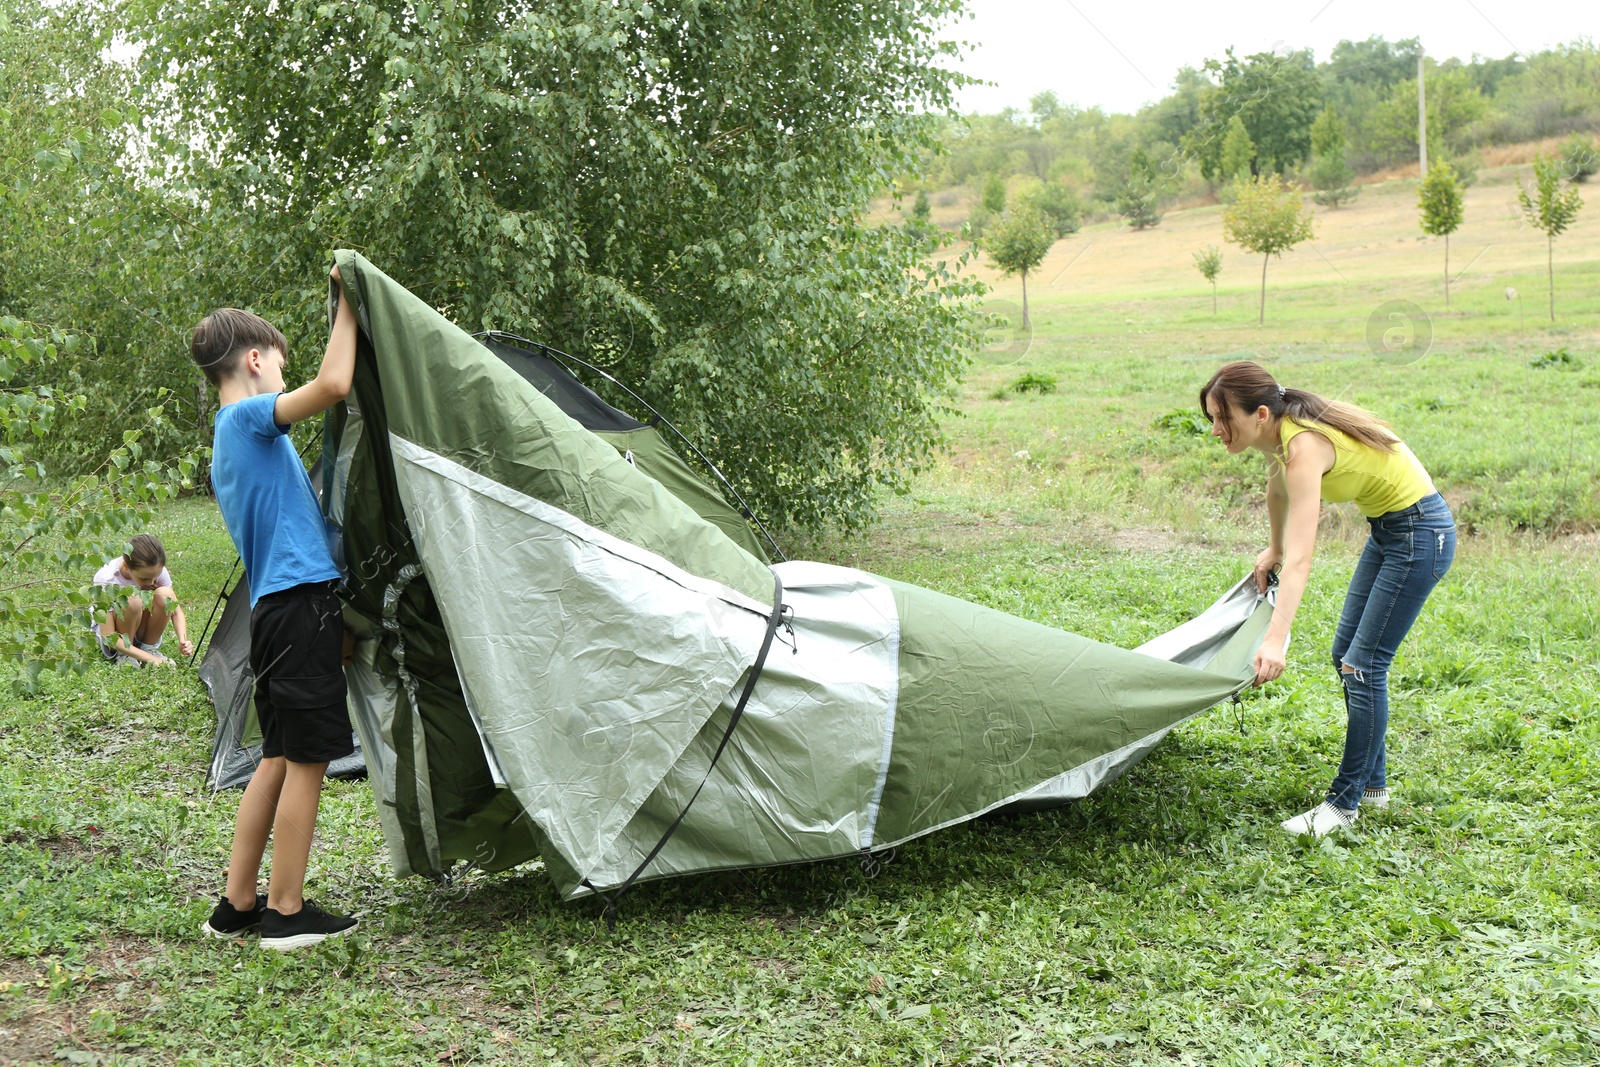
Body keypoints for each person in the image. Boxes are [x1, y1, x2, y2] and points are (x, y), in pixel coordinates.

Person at [1199, 361, 1455, 838]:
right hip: (1392, 532)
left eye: (1222, 418)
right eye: (1210, 419)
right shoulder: (1280, 436)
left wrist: (1275, 640)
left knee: (1363, 664)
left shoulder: (1303, 444)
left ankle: (1344, 803)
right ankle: (1374, 787)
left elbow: (1302, 560)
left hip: (1422, 535)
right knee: (1348, 656)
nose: (1215, 430)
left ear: (1258, 414)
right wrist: (1273, 546)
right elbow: (1277, 493)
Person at [191, 265, 361, 949]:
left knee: (277, 756)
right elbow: (335, 385)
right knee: (309, 759)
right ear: (255, 361)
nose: (285, 380)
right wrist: (350, 306)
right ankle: (285, 911)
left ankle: (237, 902)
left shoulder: (227, 442)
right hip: (296, 609)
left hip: (275, 612)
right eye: (281, 367)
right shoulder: (249, 418)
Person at [93, 534, 192, 666]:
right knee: (132, 600)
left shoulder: (153, 569)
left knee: (166, 594)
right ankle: (126, 656)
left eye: (155, 576)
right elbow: (108, 636)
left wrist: (183, 640)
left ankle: (148, 647)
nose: (151, 582)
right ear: (126, 565)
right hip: (116, 638)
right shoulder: (106, 579)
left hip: (139, 628)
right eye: (144, 579)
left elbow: (176, 611)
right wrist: (154, 661)